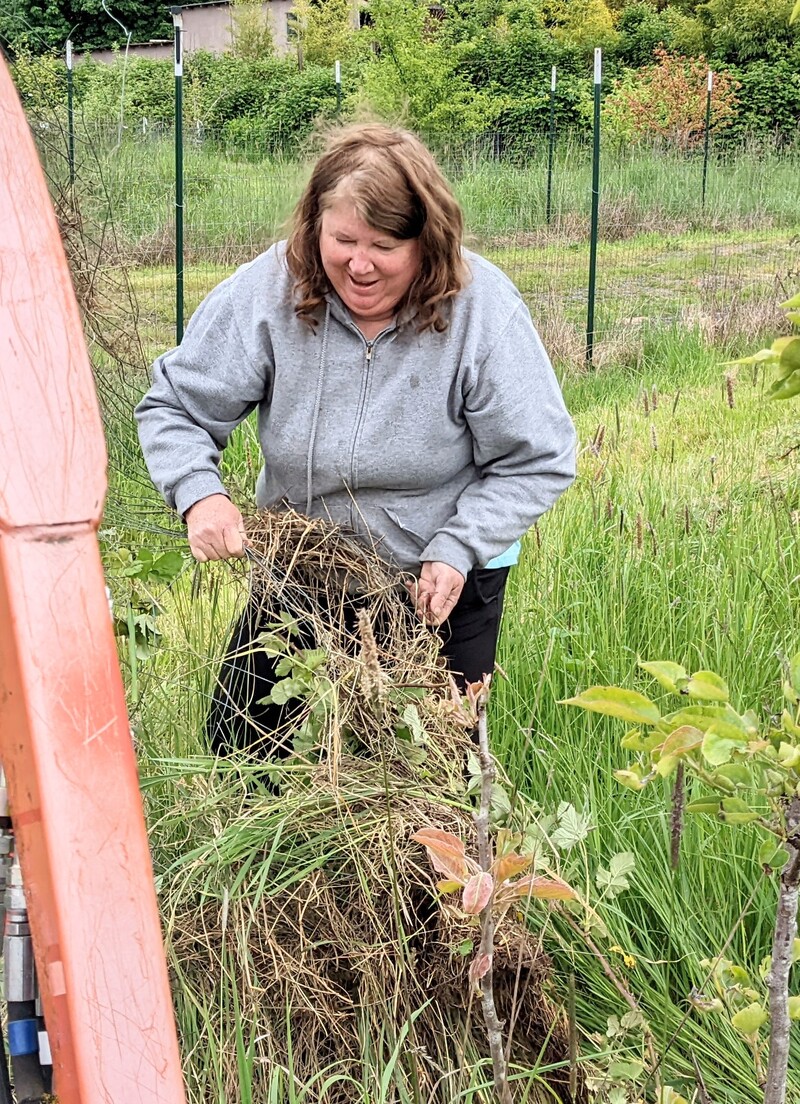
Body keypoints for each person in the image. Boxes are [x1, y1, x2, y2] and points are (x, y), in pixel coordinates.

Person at [135, 123, 576, 755]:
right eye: (341, 240)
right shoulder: (271, 291)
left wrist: (458, 546)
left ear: (427, 245)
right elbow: (176, 405)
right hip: (302, 563)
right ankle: (268, 852)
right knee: (240, 745)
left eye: (382, 246)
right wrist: (198, 492)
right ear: (314, 229)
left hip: (436, 581)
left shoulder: (481, 312)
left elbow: (539, 459)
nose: (358, 264)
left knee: (429, 773)